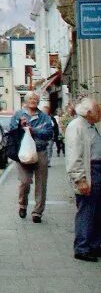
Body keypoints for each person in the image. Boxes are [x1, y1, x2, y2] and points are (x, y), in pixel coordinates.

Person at [64, 97, 101, 262]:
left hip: (96, 170)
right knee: (86, 210)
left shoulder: (90, 126)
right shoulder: (76, 126)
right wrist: (80, 179)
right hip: (89, 171)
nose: (100, 114)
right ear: (88, 112)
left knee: (97, 211)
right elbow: (74, 155)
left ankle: (94, 245)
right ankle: (82, 248)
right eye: (98, 111)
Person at [10, 91, 54, 223]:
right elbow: (12, 132)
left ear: (38, 101)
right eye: (31, 99)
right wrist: (20, 126)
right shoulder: (18, 115)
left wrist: (33, 130)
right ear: (26, 100)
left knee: (41, 184)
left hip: (40, 151)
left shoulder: (44, 117)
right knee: (25, 181)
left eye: (35, 99)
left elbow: (49, 133)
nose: (33, 101)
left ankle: (37, 213)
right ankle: (22, 205)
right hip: (23, 152)